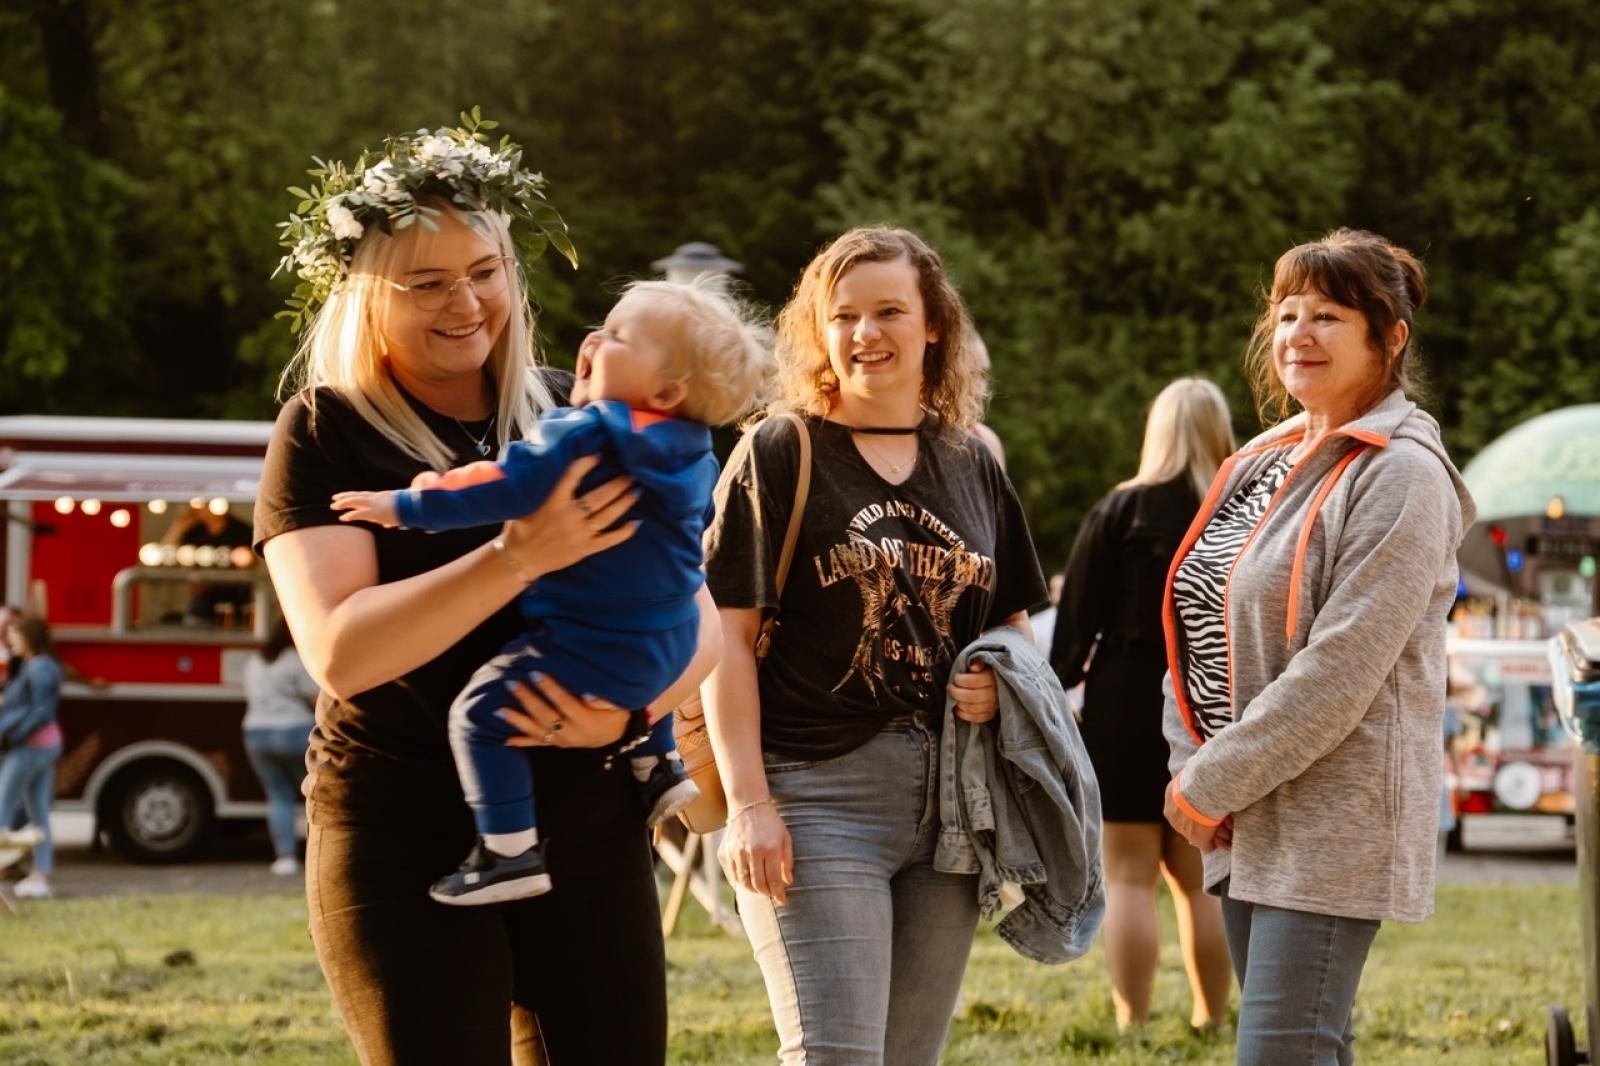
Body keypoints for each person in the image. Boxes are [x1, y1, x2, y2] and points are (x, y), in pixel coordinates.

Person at [254, 118, 720, 1065]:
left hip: (590, 818)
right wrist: (517, 555)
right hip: (403, 823)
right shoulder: (324, 431)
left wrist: (627, 714)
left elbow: (698, 625)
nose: (464, 301)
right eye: (427, 282)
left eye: (485, 271)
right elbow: (343, 651)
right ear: (366, 294)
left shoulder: (583, 411)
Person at [702, 226, 1049, 1065]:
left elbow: (1013, 628)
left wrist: (1002, 681)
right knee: (835, 1055)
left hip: (952, 806)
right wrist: (749, 803)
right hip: (815, 797)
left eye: (889, 310)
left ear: (934, 325)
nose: (865, 333)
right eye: (844, 315)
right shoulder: (782, 450)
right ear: (819, 333)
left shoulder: (972, 462)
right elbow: (725, 643)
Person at [330, 278, 770, 904]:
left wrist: (406, 503)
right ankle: (659, 763)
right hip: (668, 650)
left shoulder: (585, 434)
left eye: (617, 337)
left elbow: (499, 486)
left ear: (666, 389)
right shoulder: (696, 452)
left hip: (591, 649)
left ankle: (509, 850)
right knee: (648, 644)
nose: (595, 339)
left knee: (479, 718)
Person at [1161, 228, 1475, 1066]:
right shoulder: (1260, 457)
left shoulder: (1403, 472)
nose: (1298, 333)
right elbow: (1196, 616)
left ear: (1390, 336)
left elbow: (1340, 668)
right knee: (1306, 1049)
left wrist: (1211, 780)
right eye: (1287, 312)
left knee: (1280, 1052)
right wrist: (1189, 765)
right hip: (1238, 814)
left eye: (1329, 316)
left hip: (1331, 824)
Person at [1050, 377, 1236, 1032]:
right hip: (1208, 702)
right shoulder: (1236, 511)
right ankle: (1212, 1020)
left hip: (1124, 698)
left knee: (1127, 876)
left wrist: (1053, 694)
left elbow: (1074, 627)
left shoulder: (1119, 510)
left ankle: (1133, 1022)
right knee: (1198, 876)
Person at [241, 617, 318, 876]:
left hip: (256, 733)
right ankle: (317, 856)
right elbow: (317, 699)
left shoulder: (255, 661)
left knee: (278, 796)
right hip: (295, 731)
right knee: (314, 794)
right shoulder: (297, 659)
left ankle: (284, 858)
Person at [0, 616, 64, 900]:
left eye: (14, 634)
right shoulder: (36, 666)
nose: (9, 640)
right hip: (42, 745)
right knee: (38, 811)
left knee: (2, 808)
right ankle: (41, 875)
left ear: (30, 637)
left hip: (30, 747)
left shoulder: (40, 668)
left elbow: (42, 712)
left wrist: (12, 735)